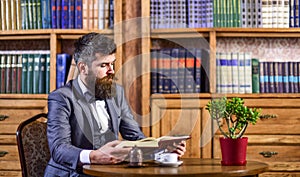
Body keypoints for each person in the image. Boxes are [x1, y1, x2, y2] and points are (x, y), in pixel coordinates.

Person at [44, 32, 186, 177]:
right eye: (104, 65)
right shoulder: (61, 98)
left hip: (108, 172)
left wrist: (161, 150)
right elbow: (59, 149)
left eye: (112, 63)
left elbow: (134, 136)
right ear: (83, 68)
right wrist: (94, 156)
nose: (111, 70)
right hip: (72, 174)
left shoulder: (116, 92)